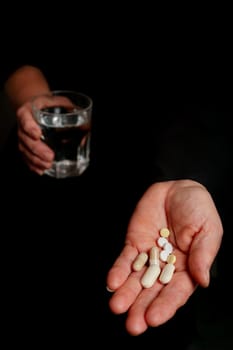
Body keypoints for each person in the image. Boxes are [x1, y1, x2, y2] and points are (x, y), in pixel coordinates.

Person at [1, 63, 231, 349]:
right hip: (46, 172)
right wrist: (35, 99)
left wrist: (190, 179)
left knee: (144, 324)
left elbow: (210, 102)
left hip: (152, 192)